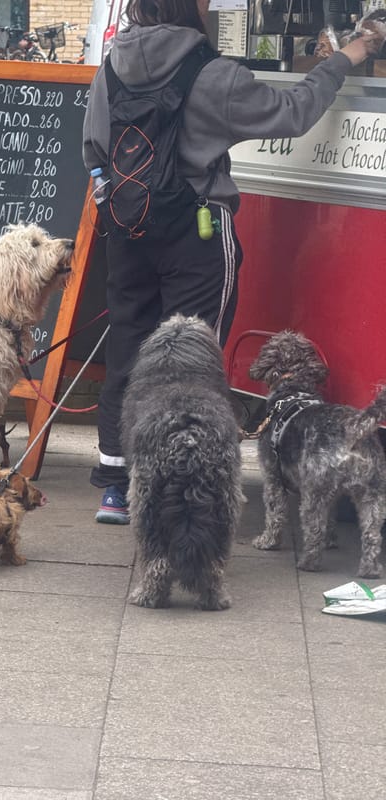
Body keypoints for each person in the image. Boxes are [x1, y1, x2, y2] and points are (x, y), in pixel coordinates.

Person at [82, 0, 380, 524]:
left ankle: (117, 483)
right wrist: (349, 55)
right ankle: (183, 488)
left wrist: (114, 205)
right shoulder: (212, 72)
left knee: (129, 347)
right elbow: (292, 113)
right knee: (192, 362)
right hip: (197, 234)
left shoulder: (113, 63)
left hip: (128, 231)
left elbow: (94, 150)